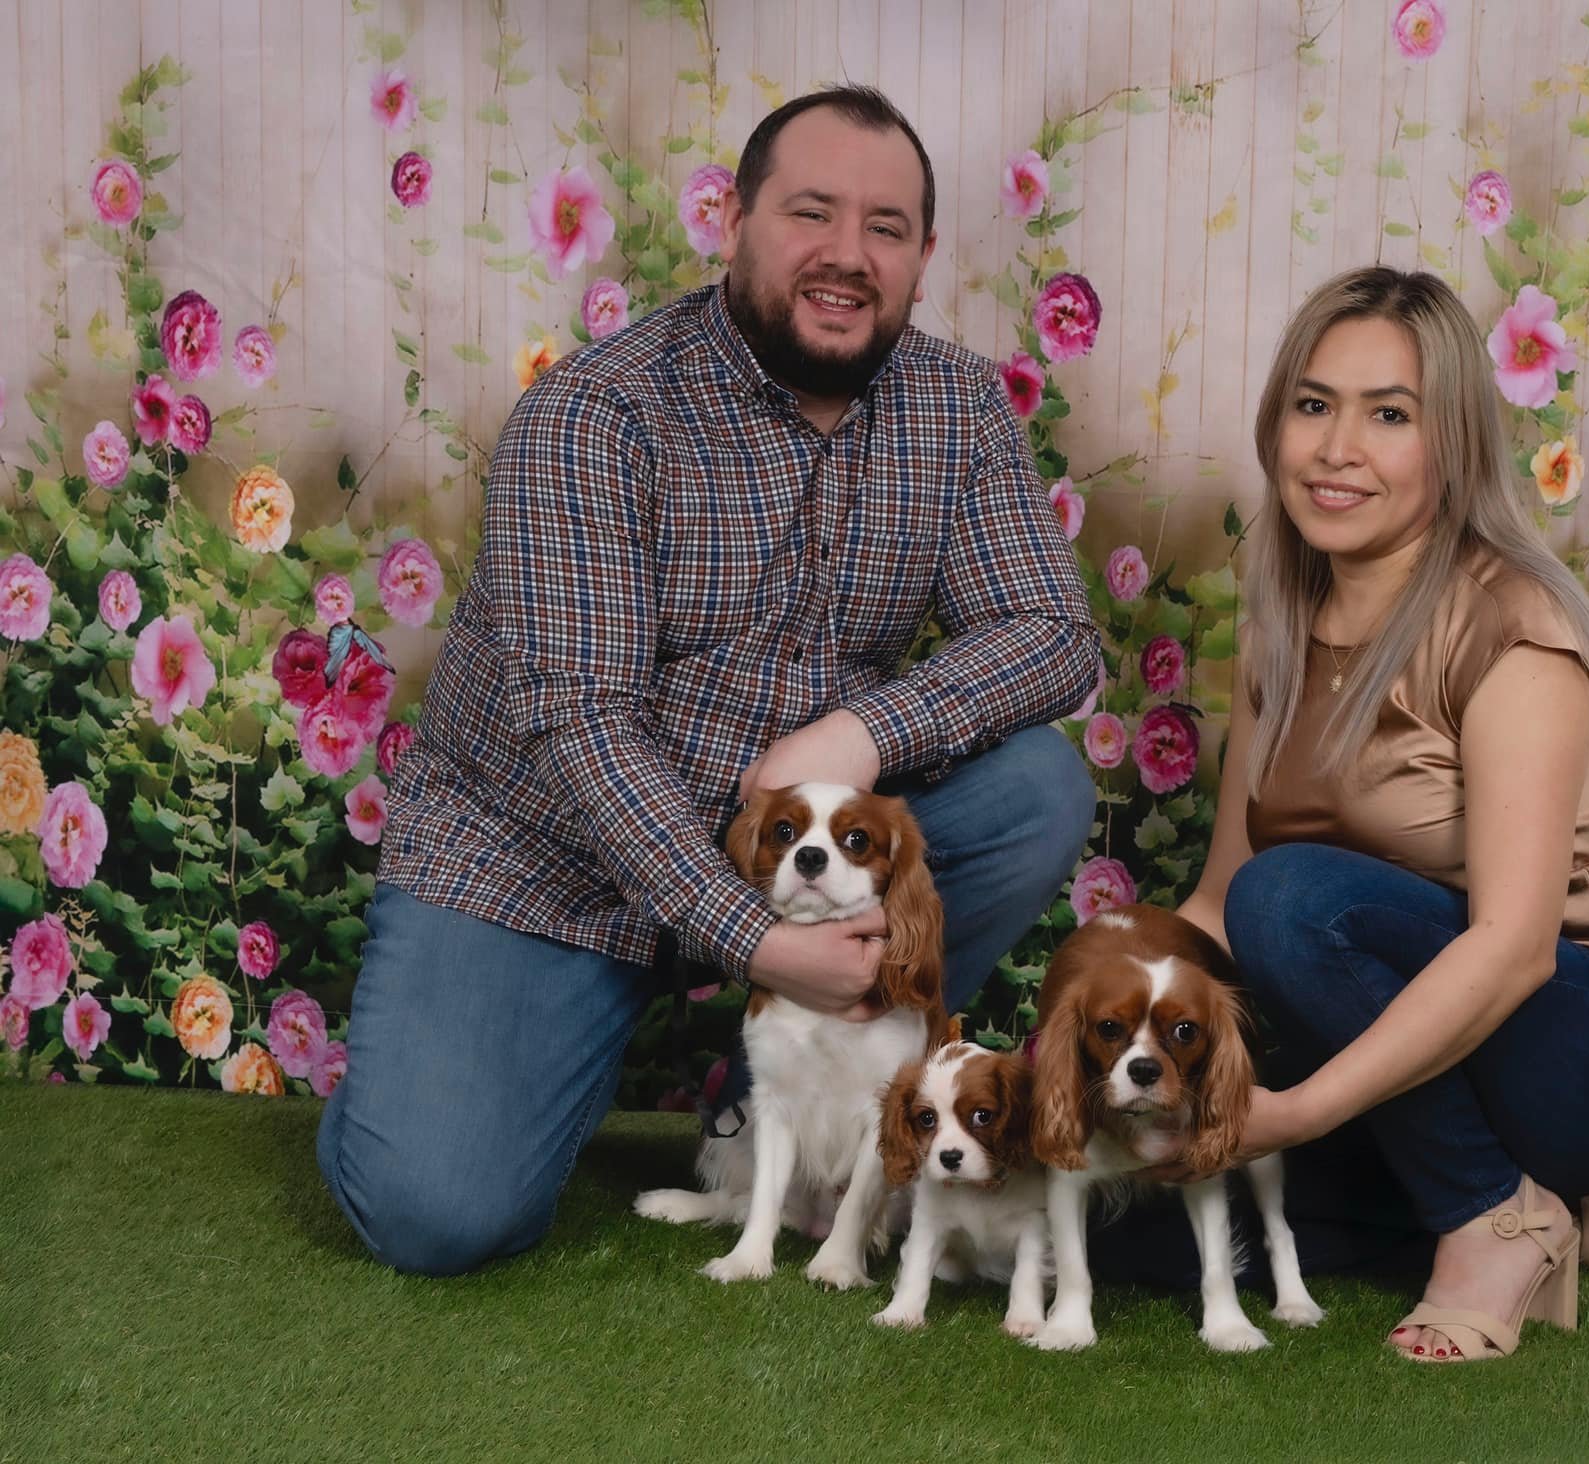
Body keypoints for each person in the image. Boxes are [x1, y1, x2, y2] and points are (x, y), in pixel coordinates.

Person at [317, 86, 1100, 1276]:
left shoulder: (956, 406)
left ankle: (771, 1101)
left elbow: (1049, 631)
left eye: (885, 228)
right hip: (546, 860)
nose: (847, 255)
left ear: (924, 255)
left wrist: (859, 735)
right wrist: (757, 942)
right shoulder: (594, 412)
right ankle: (461, 1067)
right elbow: (583, 727)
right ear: (732, 221)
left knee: (1036, 789)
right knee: (437, 1212)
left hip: (795, 853)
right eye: (810, 213)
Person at [1170, 266, 1589, 1363]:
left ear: (1454, 444)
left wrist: (1300, 1112)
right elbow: (1216, 903)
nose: (1336, 449)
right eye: (1313, 404)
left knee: (1293, 899)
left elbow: (1513, 949)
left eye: (1389, 415)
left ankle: (1489, 1214)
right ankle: (1532, 1192)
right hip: (1448, 1021)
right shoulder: (1277, 625)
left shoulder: (1510, 628)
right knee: (1155, 1222)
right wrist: (1079, 1037)